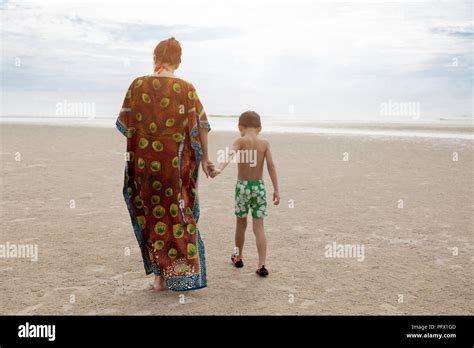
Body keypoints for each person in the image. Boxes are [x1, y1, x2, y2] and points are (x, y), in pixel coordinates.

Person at [116, 37, 214, 291]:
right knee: (179, 216)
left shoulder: (137, 85)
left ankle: (159, 278)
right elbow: (201, 126)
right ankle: (179, 276)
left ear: (155, 57)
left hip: (144, 169)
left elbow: (127, 126)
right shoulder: (186, 88)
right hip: (175, 171)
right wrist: (204, 159)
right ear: (178, 61)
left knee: (151, 217)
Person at [211, 111, 280, 276]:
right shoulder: (264, 144)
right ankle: (262, 264)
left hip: (242, 188)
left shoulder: (241, 140)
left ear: (240, 127)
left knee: (241, 225)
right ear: (260, 128)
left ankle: (238, 256)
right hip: (259, 188)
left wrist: (219, 169)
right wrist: (276, 189)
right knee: (259, 227)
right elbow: (271, 166)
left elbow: (229, 155)